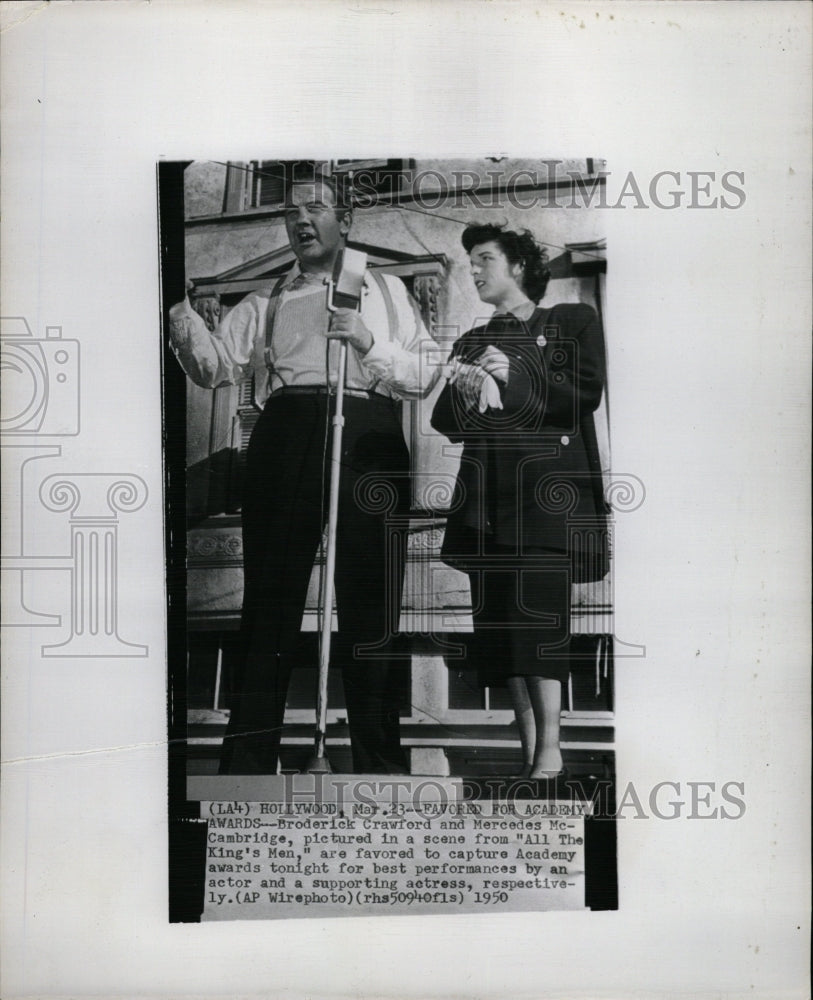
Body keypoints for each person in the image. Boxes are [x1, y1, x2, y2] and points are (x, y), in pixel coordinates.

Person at [169, 171, 440, 774]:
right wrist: (180, 312)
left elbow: (423, 376)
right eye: (290, 211)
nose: (298, 220)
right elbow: (212, 369)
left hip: (369, 433)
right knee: (269, 598)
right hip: (287, 430)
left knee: (373, 603)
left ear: (345, 219)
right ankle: (248, 760)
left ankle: (379, 763)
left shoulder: (388, 294)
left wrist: (370, 342)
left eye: (314, 207)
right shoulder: (266, 299)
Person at [431, 222, 607, 779]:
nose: (475, 271)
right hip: (487, 505)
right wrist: (462, 390)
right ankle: (531, 753)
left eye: (484, 259)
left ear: (520, 268)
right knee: (503, 633)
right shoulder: (472, 340)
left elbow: (584, 392)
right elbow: (445, 421)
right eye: (471, 263)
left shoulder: (570, 322)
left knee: (540, 624)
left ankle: (551, 751)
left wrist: (519, 376)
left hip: (546, 502)